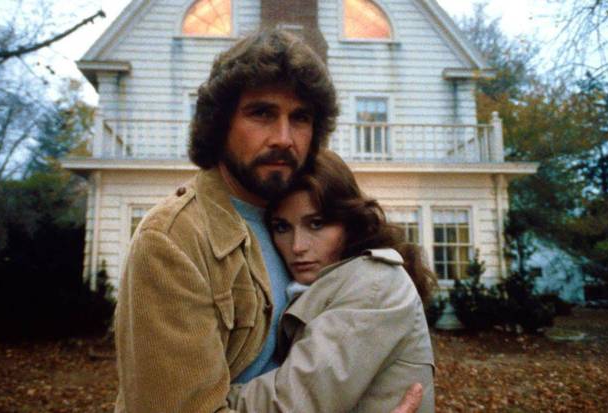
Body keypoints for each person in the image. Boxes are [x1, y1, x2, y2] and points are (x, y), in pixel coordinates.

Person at [114, 29, 423, 413]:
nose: (283, 137)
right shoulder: (173, 241)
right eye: (261, 113)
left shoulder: (296, 223)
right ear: (220, 123)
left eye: (300, 118)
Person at [228, 150, 437, 412]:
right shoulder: (330, 281)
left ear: (350, 222)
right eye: (282, 227)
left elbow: (290, 403)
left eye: (316, 224)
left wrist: (197, 399)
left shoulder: (374, 284)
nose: (297, 246)